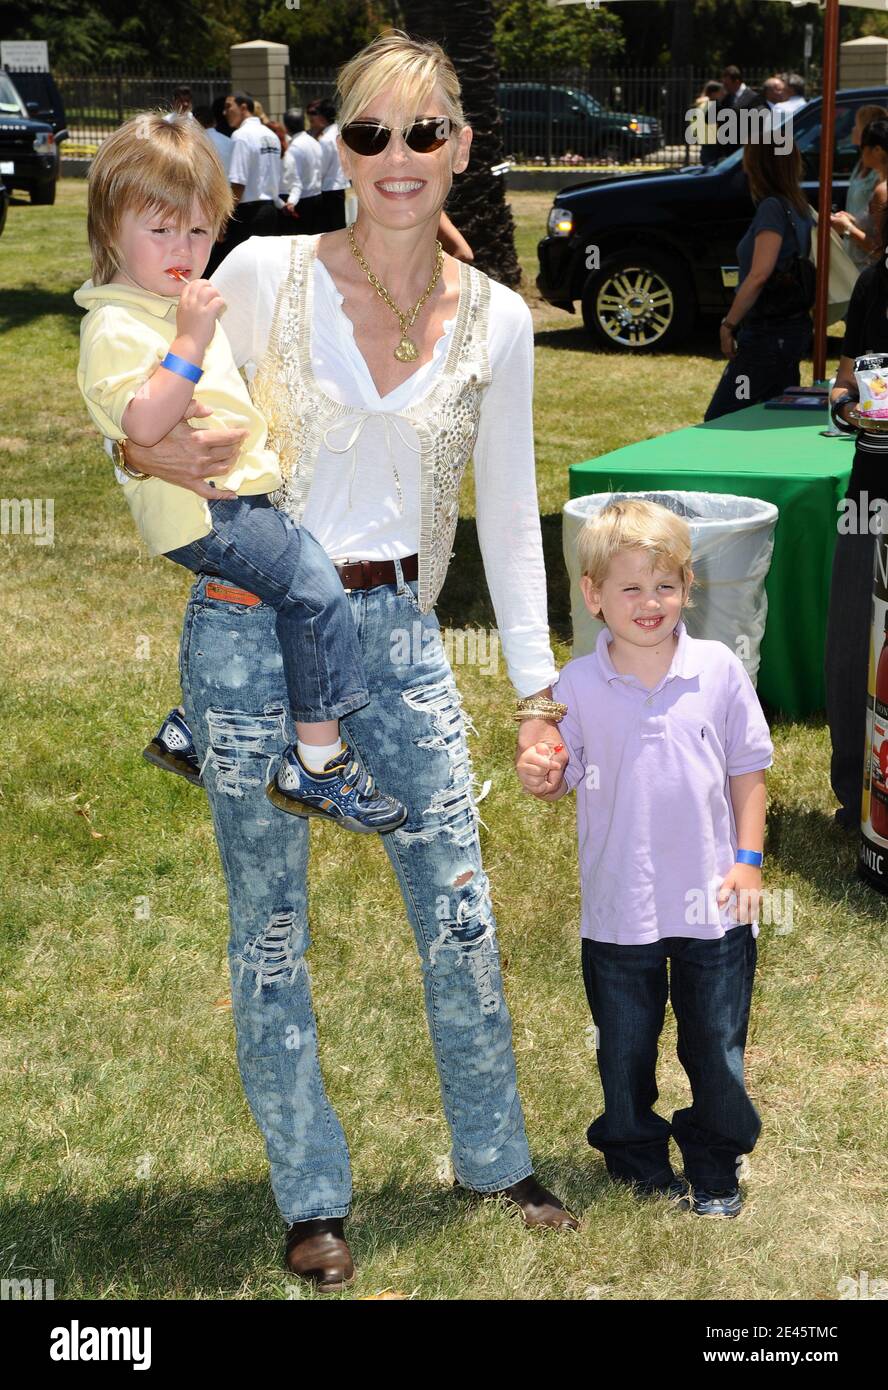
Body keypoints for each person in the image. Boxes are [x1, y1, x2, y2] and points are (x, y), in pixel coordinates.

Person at [107, 30, 578, 1289]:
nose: (397, 157)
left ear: (463, 148)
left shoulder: (498, 322)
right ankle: (310, 1193)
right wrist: (135, 456)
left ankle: (494, 1157)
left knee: (459, 910)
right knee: (270, 928)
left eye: (425, 133)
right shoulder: (263, 272)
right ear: (342, 144)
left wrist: (537, 691)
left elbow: (515, 509)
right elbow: (139, 370)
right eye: (370, 133)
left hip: (401, 638)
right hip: (247, 633)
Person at [75, 113, 407, 834]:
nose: (182, 249)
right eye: (158, 230)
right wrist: (191, 340)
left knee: (269, 606)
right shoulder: (119, 323)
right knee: (318, 595)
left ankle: (196, 732)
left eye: (197, 232)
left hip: (232, 501)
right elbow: (140, 422)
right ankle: (319, 767)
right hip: (209, 511)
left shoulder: (169, 303)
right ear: (110, 232)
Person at [517, 499, 773, 1219]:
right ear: (594, 596)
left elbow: (749, 771)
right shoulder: (575, 687)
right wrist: (540, 770)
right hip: (618, 906)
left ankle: (716, 1161)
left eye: (665, 585)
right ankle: (635, 1157)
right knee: (624, 1051)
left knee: (716, 1047)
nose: (649, 603)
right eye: (629, 588)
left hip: (714, 905)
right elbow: (555, 774)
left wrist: (748, 859)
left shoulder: (717, 670)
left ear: (689, 587)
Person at [827, 206, 888, 829]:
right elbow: (845, 385)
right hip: (871, 492)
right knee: (851, 640)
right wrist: (850, 407)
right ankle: (857, 789)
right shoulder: (875, 285)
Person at [704, 138, 813, 422]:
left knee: (721, 419)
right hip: (790, 328)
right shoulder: (798, 207)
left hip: (768, 331)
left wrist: (728, 324)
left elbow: (760, 273)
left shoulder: (772, 208)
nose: (744, 167)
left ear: (760, 166)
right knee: (775, 415)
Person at [830, 111, 888, 272]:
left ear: (877, 150)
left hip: (874, 277)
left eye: (864, 148)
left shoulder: (882, 191)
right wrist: (855, 222)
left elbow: (880, 249)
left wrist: (848, 228)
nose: (861, 154)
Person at [223, 90, 280, 246]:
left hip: (248, 214)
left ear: (243, 107)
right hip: (270, 211)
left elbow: (238, 182)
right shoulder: (271, 135)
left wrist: (224, 219)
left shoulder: (241, 135)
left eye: (229, 107)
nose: (225, 112)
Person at [279, 107, 325, 236]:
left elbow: (294, 179)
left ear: (286, 126)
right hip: (317, 196)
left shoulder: (294, 147)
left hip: (302, 201)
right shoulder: (313, 141)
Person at [307, 97, 349, 231]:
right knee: (339, 225)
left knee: (330, 228)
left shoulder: (326, 139)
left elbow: (321, 168)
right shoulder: (340, 132)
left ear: (322, 116)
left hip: (328, 188)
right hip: (340, 185)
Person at [691, 79, 725, 168]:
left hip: (704, 146)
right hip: (713, 147)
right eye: (721, 92)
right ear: (714, 93)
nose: (723, 94)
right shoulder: (712, 106)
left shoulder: (700, 105)